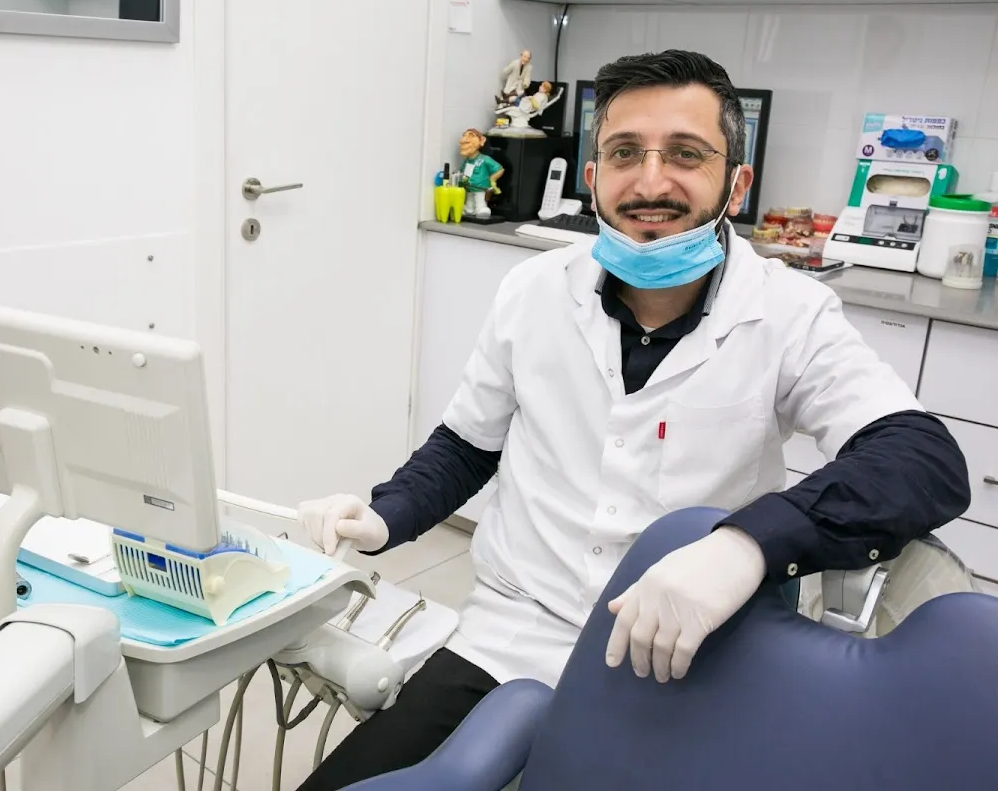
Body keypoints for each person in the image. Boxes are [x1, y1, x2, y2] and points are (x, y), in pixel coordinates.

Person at [295, 50, 970, 791]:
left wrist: (746, 546)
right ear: (592, 177)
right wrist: (385, 516)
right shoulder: (532, 290)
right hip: (513, 638)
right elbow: (467, 444)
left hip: (691, 651)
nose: (650, 182)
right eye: (624, 154)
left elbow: (921, 460)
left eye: (685, 154)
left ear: (737, 183)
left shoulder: (789, 313)